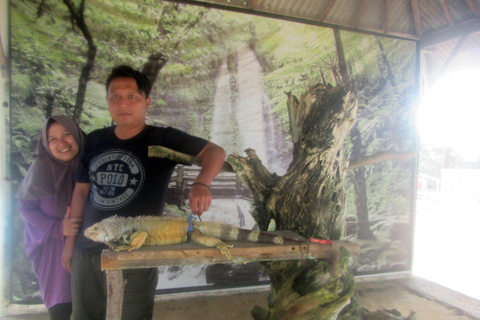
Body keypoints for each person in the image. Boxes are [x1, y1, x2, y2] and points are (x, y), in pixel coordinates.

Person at [62, 65, 226, 320]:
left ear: (146, 102)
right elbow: (81, 191)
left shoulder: (162, 137)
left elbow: (215, 152)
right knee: (84, 316)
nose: (123, 103)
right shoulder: (95, 140)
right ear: (107, 102)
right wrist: (69, 245)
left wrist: (201, 184)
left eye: (132, 96)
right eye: (115, 96)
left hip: (137, 250)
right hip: (88, 249)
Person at [16, 115, 86, 320]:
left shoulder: (93, 166)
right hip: (54, 253)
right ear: (45, 143)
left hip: (91, 250)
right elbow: (25, 208)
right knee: (61, 311)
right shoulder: (40, 169)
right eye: (52, 138)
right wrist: (58, 228)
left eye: (66, 135)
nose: (61, 143)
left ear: (77, 136)